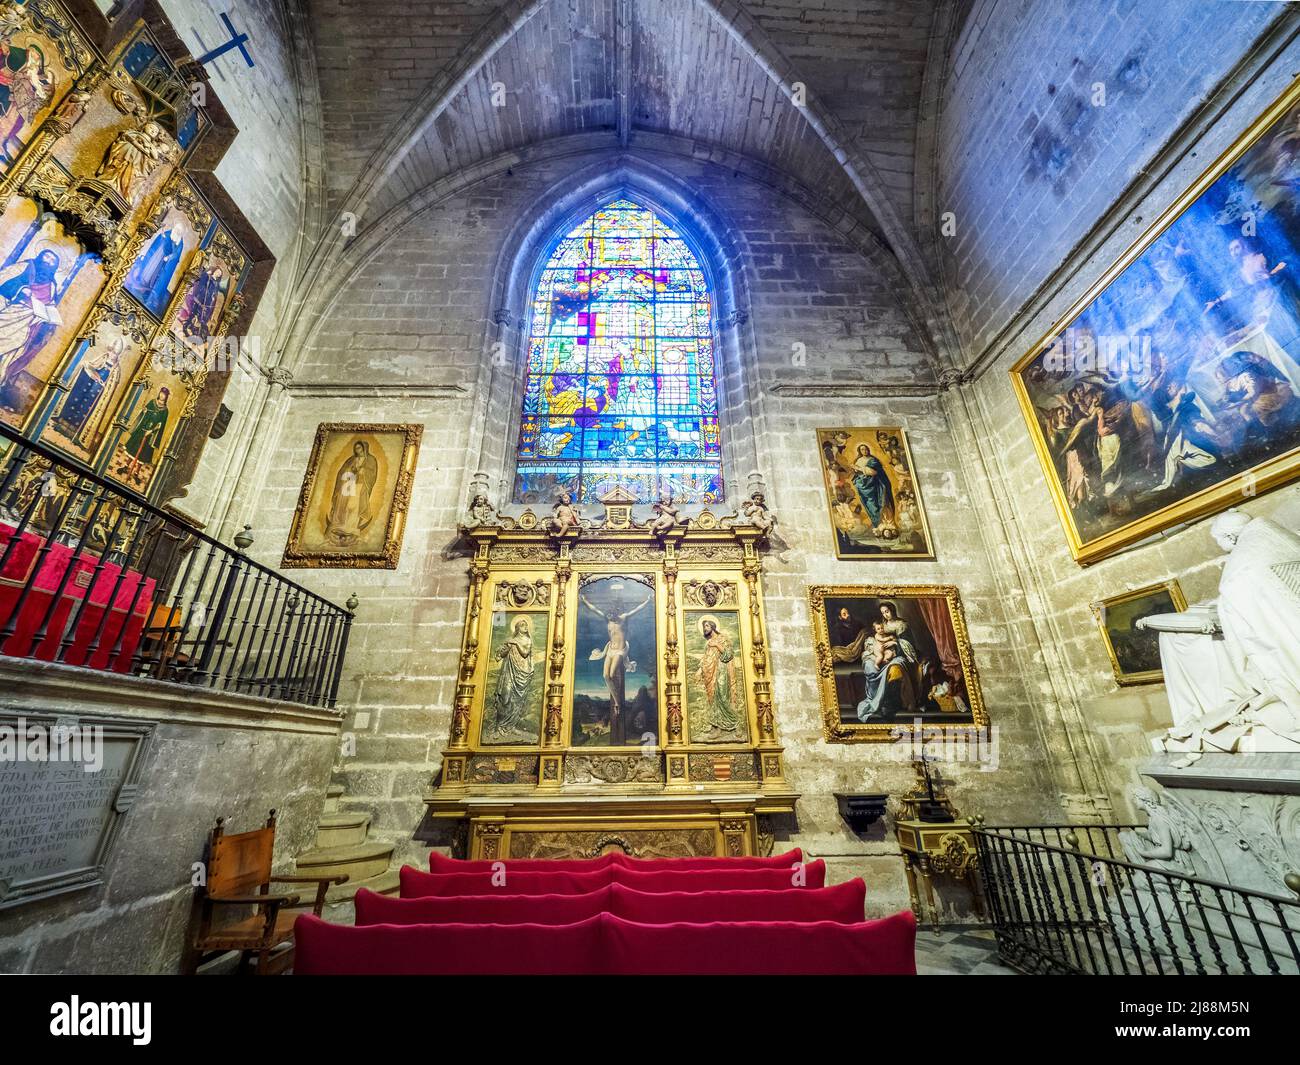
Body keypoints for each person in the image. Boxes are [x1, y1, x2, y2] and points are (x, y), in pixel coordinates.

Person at [582, 589, 651, 744]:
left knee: (612, 674)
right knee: (605, 676)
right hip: (610, 650)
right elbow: (595, 610)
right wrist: (585, 601)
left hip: (620, 650)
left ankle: (618, 703)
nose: (610, 616)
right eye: (609, 615)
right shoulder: (608, 620)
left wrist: (647, 600)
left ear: (616, 612)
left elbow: (636, 610)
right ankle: (616, 700)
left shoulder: (623, 618)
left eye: (612, 614)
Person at [693, 615, 743, 739]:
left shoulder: (722, 639)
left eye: (707, 626)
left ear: (713, 627)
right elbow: (706, 659)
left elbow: (728, 655)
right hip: (710, 675)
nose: (705, 629)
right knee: (714, 701)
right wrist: (700, 670)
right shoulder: (708, 643)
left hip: (722, 672)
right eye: (703, 627)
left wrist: (717, 645)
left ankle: (736, 724)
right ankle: (717, 728)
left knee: (723, 699)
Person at [489, 616, 538, 739]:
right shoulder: (511, 640)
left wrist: (515, 642)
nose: (525, 627)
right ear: (517, 628)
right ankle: (499, 727)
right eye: (522, 625)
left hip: (522, 673)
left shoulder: (527, 640)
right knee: (505, 697)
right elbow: (503, 654)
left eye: (526, 625)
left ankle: (512, 727)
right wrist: (503, 649)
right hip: (509, 672)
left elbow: (525, 653)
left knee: (517, 701)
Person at [324, 440, 379, 545]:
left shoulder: (371, 459)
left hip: (360, 486)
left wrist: (363, 471)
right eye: (356, 448)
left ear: (364, 448)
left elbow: (372, 474)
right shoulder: (351, 459)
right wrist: (350, 470)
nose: (357, 450)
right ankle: (341, 525)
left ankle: (351, 527)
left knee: (354, 506)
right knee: (344, 505)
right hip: (349, 485)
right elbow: (342, 472)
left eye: (359, 448)